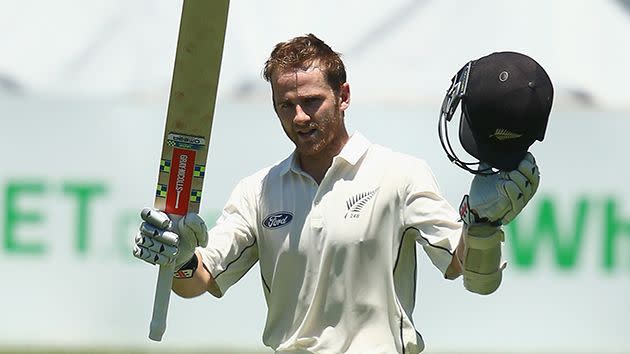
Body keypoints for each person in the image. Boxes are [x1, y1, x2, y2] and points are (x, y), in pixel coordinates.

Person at [133, 34, 540, 353]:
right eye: (285, 106)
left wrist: (482, 227)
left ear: (343, 97)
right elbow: (195, 282)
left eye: (312, 102)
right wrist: (182, 259)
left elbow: (466, 271)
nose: (299, 118)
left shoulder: (399, 174)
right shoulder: (258, 191)